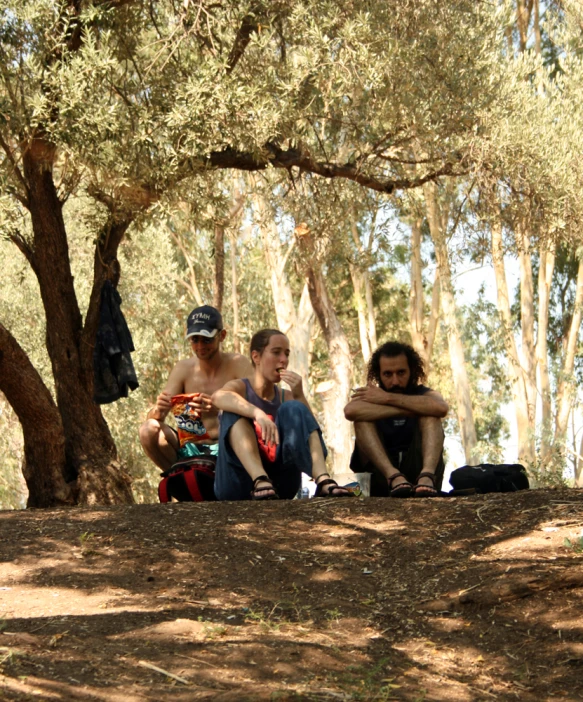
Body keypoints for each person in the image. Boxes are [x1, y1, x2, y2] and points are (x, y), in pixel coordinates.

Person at [211, 329, 353, 500]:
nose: (284, 360)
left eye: (287, 354)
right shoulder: (240, 387)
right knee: (232, 411)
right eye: (276, 352)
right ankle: (260, 479)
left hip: (280, 485)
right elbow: (218, 397)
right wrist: (257, 413)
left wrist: (299, 395)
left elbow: (314, 443)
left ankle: (323, 481)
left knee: (294, 408)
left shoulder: (287, 397)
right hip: (237, 485)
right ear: (256, 357)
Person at [139, 305, 253, 472]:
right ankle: (179, 479)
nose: (200, 346)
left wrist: (221, 410)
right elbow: (157, 416)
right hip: (190, 449)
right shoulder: (183, 369)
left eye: (206, 339)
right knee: (147, 430)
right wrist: (158, 410)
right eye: (194, 339)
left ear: (222, 336)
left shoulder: (238, 364)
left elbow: (261, 406)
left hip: (230, 447)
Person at [344, 341, 449, 498]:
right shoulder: (371, 396)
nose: (395, 381)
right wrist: (412, 409)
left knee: (431, 415)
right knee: (361, 419)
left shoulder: (424, 393)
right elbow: (350, 411)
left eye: (401, 373)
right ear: (378, 374)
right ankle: (394, 476)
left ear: (412, 370)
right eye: (388, 374)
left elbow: (440, 408)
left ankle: (427, 476)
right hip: (380, 477)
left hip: (420, 477)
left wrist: (387, 398)